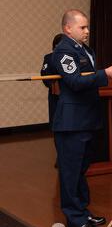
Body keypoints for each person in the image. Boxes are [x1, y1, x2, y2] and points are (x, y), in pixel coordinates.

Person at [52, 9, 112, 227]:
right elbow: (75, 82)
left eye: (87, 27)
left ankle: (82, 211)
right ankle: (74, 220)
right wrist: (106, 74)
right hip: (72, 122)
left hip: (87, 119)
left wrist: (104, 74)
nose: (87, 31)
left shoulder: (83, 49)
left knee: (82, 169)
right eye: (82, 27)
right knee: (71, 172)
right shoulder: (63, 51)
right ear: (68, 29)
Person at [41, 33, 64, 168]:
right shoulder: (49, 58)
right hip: (56, 98)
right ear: (55, 46)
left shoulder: (74, 57)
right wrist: (53, 84)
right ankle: (60, 157)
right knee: (57, 128)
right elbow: (44, 75)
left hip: (72, 98)